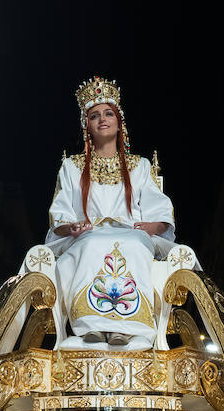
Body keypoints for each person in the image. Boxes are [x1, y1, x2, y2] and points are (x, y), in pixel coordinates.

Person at [45, 77, 180, 351]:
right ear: (87, 126)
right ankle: (91, 329)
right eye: (95, 116)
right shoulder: (72, 167)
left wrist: (151, 227)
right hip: (87, 236)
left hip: (132, 234)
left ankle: (132, 330)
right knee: (94, 242)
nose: (102, 120)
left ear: (120, 121)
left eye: (108, 113)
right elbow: (59, 213)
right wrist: (71, 227)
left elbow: (160, 208)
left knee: (131, 243)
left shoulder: (139, 166)